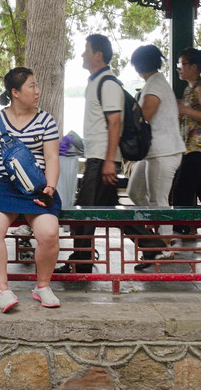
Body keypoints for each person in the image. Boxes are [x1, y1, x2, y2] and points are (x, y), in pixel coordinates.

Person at [54, 35, 168, 274]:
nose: (83, 55)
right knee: (109, 210)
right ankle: (152, 245)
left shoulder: (108, 84)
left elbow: (115, 123)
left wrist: (108, 161)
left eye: (86, 50)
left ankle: (81, 261)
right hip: (98, 158)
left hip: (102, 160)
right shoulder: (96, 82)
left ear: (98, 55)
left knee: (85, 212)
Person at [0, 68, 61, 311]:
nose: (37, 91)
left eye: (36, 85)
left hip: (39, 186)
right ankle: (3, 289)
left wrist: (50, 188)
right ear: (15, 92)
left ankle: (42, 286)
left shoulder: (46, 120)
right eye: (32, 86)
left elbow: (52, 158)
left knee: (49, 233)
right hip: (3, 185)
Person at [125, 44, 182, 270]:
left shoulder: (156, 84)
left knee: (159, 200)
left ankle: (164, 247)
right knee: (135, 192)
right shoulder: (153, 83)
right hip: (153, 153)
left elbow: (146, 114)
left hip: (164, 151)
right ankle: (155, 238)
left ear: (138, 65)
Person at [170, 48, 201, 238]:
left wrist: (183, 109)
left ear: (194, 67)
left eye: (182, 64)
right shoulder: (189, 88)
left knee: (181, 190)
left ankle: (177, 234)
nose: (179, 68)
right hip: (191, 147)